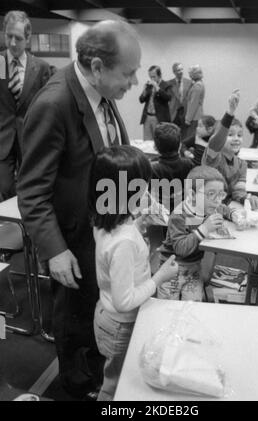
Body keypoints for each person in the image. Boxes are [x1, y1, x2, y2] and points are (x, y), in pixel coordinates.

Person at [17, 20, 141, 398]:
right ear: (98, 67)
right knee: (72, 322)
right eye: (129, 73)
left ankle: (93, 377)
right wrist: (54, 251)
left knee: (95, 315)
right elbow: (32, 190)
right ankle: (74, 385)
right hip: (72, 239)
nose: (133, 83)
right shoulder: (54, 103)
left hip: (102, 231)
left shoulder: (103, 96)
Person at [90, 145, 178, 401]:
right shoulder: (125, 241)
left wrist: (138, 223)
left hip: (110, 315)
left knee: (116, 377)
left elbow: (114, 253)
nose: (149, 192)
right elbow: (124, 300)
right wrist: (159, 277)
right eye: (144, 187)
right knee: (118, 385)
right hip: (121, 323)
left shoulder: (104, 219)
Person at [158, 165, 240, 302]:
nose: (217, 200)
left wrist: (234, 214)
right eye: (211, 194)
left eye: (221, 194)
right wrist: (204, 229)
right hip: (172, 269)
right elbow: (181, 248)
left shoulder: (210, 206)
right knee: (167, 307)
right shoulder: (179, 216)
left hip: (194, 267)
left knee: (194, 305)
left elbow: (223, 208)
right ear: (193, 195)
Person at [0, 10, 50, 201]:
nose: (12, 43)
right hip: (3, 138)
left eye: (18, 38)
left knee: (31, 186)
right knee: (4, 188)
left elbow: (46, 106)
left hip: (30, 137)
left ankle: (27, 225)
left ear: (28, 39)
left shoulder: (41, 67)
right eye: (9, 36)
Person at [201, 90, 258, 210]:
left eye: (239, 135)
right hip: (205, 211)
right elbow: (216, 141)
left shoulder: (241, 165)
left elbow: (238, 192)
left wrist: (247, 199)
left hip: (225, 210)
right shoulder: (213, 158)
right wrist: (230, 112)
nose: (236, 139)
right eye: (230, 134)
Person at [151, 122, 194, 212]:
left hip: (161, 215)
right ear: (179, 145)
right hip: (183, 212)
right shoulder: (188, 164)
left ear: (155, 147)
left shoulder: (153, 168)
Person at [139, 65, 171, 140]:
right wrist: (144, 91)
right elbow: (141, 100)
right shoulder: (149, 86)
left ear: (160, 75)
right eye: (150, 77)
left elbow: (168, 98)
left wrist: (157, 88)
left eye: (154, 76)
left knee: (158, 141)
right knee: (147, 141)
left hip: (159, 118)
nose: (152, 79)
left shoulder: (166, 85)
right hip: (147, 117)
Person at [182, 64, 205, 139]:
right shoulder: (198, 84)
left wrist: (188, 119)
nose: (189, 76)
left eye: (190, 74)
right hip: (196, 115)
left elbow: (193, 104)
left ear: (195, 74)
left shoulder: (197, 86)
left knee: (190, 137)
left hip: (194, 117)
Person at [167, 62, 192, 130]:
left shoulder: (190, 82)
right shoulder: (168, 84)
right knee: (174, 133)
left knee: (185, 134)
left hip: (186, 113)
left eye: (182, 69)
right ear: (174, 72)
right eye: (178, 70)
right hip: (174, 113)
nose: (181, 72)